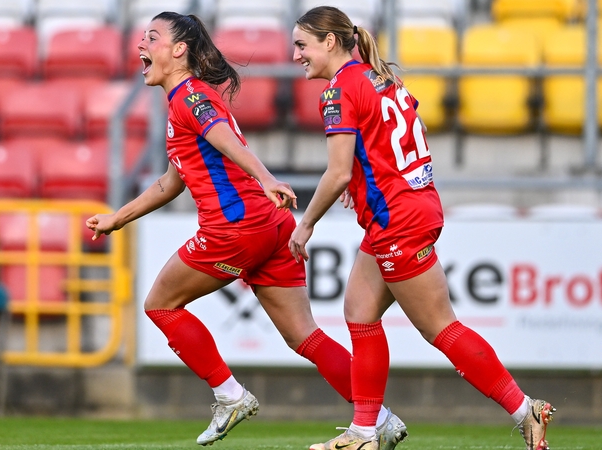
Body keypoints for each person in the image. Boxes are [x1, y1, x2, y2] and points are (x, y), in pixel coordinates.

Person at [85, 12, 406, 448]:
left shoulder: (189, 97)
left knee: (160, 305)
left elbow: (224, 138)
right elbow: (171, 180)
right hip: (271, 227)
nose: (141, 45)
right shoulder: (186, 97)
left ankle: (229, 395)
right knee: (304, 335)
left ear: (179, 50)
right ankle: (378, 419)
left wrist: (267, 177)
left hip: (233, 228)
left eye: (152, 38)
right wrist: (117, 218)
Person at [288, 6, 556, 450]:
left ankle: (524, 409)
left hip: (397, 219)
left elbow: (335, 173)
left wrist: (306, 225)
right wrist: (367, 178)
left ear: (329, 42)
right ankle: (364, 432)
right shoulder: (381, 78)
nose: (296, 55)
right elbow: (414, 131)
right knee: (359, 308)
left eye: (302, 45)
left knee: (439, 328)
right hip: (407, 208)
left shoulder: (338, 92)